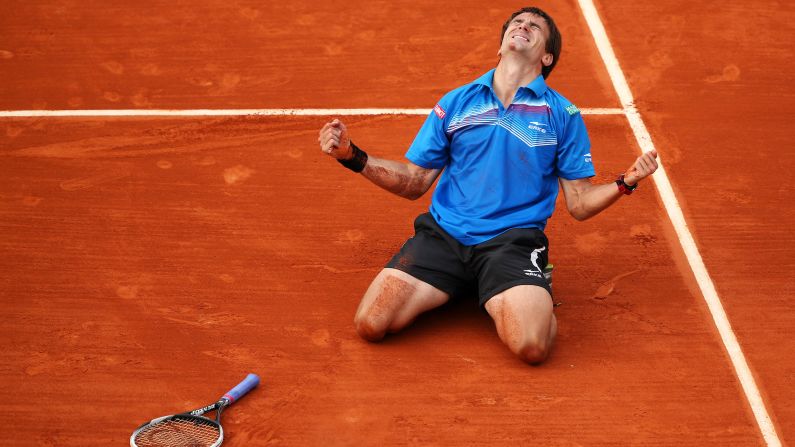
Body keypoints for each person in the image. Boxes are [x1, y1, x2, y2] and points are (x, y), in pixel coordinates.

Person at [317, 6, 658, 364]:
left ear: (546, 56)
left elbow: (580, 202)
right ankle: (474, 284)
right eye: (517, 23)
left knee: (531, 347)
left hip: (511, 243)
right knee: (370, 324)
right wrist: (351, 156)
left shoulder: (562, 115)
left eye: (535, 27)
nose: (523, 26)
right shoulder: (457, 102)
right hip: (444, 237)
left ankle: (531, 283)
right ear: (501, 45)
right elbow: (415, 181)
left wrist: (626, 182)